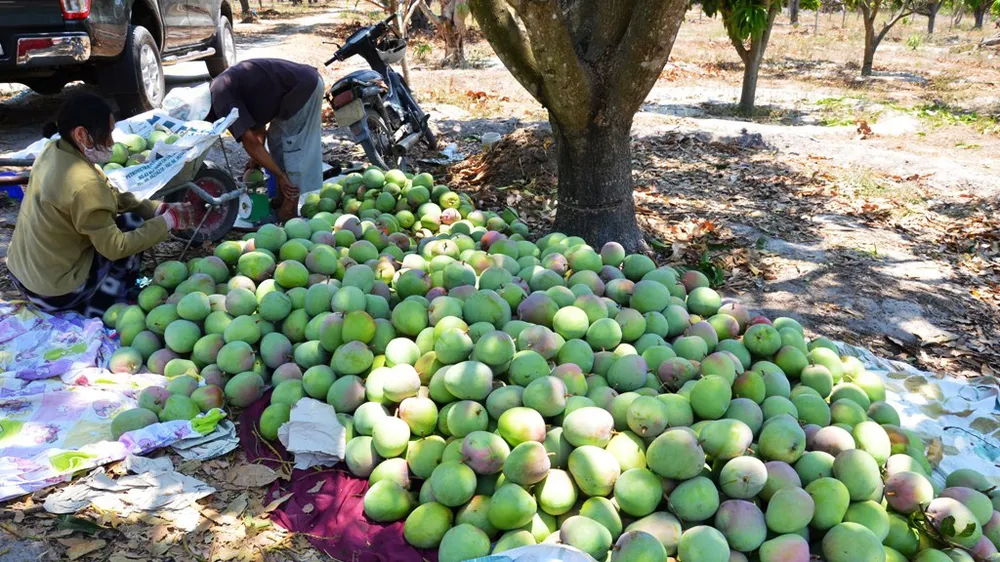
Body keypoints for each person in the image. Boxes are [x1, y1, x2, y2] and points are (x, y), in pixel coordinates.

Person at [7, 93, 192, 318]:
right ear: (82, 134)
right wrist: (167, 222)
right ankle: (103, 305)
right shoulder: (84, 184)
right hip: (52, 293)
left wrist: (155, 209)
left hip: (23, 276)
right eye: (109, 133)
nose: (112, 143)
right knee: (131, 227)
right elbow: (115, 247)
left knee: (127, 220)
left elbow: (109, 194)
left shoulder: (54, 150)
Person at [206, 58, 325, 221]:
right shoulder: (221, 91)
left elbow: (250, 142)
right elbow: (258, 128)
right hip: (294, 89)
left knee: (292, 149)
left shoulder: (220, 98)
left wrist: (280, 176)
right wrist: (256, 160)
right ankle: (278, 200)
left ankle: (289, 210)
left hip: (303, 89)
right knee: (276, 144)